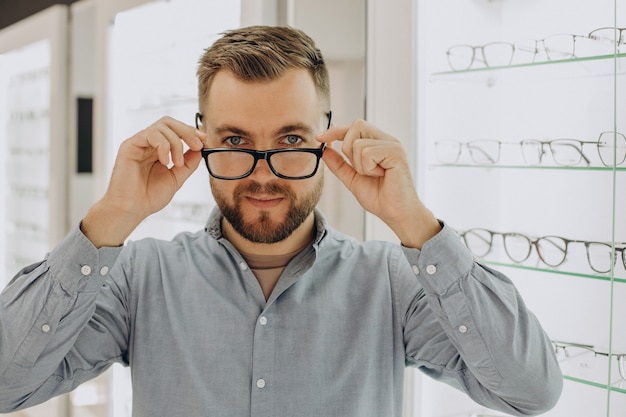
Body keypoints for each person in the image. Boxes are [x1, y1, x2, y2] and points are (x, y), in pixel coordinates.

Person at [0, 25, 561, 416]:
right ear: (201, 139)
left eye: (291, 139)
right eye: (236, 141)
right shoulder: (141, 279)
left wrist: (414, 222)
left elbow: (531, 390)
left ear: (327, 135)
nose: (262, 174)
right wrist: (110, 219)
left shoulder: (391, 283)